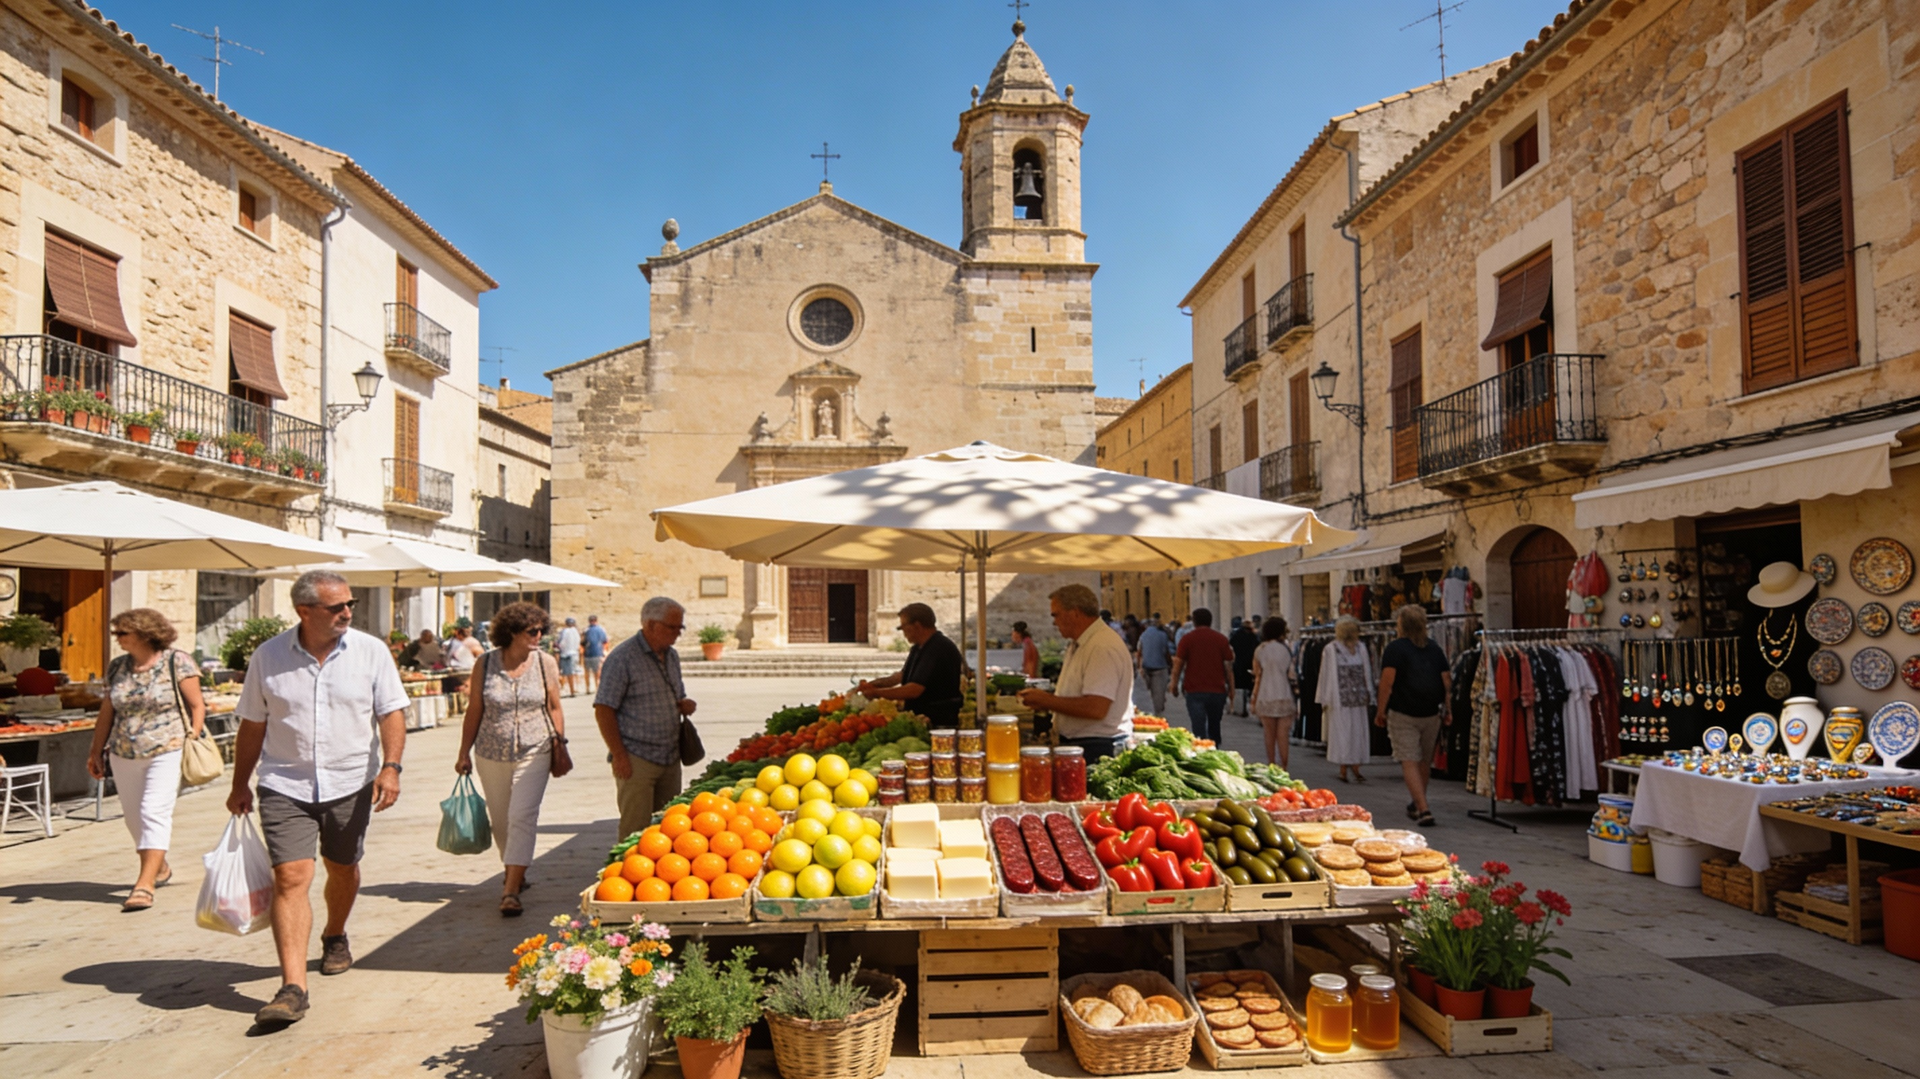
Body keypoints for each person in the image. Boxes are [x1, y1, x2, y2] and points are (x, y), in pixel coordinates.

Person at [228, 570, 409, 1027]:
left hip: (350, 780)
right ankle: (293, 988)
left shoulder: (370, 652)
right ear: (304, 611)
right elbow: (253, 724)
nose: (348, 612)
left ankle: (334, 933)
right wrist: (239, 783)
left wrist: (391, 766)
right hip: (284, 782)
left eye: (350, 604)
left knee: (342, 867)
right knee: (290, 877)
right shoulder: (268, 658)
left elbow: (391, 711)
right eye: (337, 607)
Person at [85, 608, 205, 912]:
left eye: (122, 633)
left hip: (168, 746)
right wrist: (96, 750)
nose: (117, 639)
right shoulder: (118, 667)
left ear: (143, 633)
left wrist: (194, 734)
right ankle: (160, 866)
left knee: (154, 811)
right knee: (133, 818)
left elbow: (197, 704)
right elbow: (107, 712)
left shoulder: (177, 661)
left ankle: (144, 885)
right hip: (124, 751)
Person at [456, 601, 567, 916]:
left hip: (536, 747)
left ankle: (510, 890)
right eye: (532, 631)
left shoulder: (545, 662)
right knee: (501, 822)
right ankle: (516, 870)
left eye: (541, 629)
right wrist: (463, 751)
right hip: (491, 751)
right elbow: (474, 709)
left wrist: (560, 741)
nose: (539, 635)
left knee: (522, 815)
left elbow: (554, 706)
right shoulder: (486, 664)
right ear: (512, 633)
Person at [594, 596, 697, 839]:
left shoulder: (671, 656)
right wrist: (619, 755)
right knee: (635, 830)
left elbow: (676, 693)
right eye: (672, 628)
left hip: (670, 756)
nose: (677, 634)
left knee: (668, 827)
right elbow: (604, 709)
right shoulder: (623, 658)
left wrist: (683, 704)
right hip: (637, 757)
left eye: (680, 628)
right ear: (650, 625)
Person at [1017, 584, 1134, 761]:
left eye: (1056, 614)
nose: (1054, 622)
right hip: (1084, 744)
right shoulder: (1081, 643)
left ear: (1075, 613)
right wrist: (1047, 701)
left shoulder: (1101, 647)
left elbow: (1096, 708)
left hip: (1098, 748)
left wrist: (1047, 701)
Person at [1376, 604, 1451, 827]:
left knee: (1409, 759)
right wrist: (1448, 709)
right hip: (1431, 713)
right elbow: (1447, 681)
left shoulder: (1395, 649)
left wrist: (1381, 710)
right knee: (1423, 762)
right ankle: (1417, 803)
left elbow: (1387, 683)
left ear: (1401, 625)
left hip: (1403, 713)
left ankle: (1424, 808)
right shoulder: (1435, 649)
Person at [858, 604, 964, 727]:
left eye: (903, 627)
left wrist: (877, 693)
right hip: (922, 717)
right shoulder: (918, 647)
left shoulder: (938, 648)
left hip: (938, 720)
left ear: (917, 626)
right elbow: (900, 676)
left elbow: (914, 690)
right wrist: (873, 684)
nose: (903, 633)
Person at [1319, 616, 1375, 785]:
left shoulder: (1361, 648)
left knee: (1357, 732)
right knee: (1343, 733)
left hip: (1357, 698)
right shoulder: (1331, 649)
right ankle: (1344, 768)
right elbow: (1326, 674)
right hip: (1339, 699)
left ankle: (1356, 766)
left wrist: (1369, 693)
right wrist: (1325, 697)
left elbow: (1367, 671)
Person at [1169, 608, 1233, 744]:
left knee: (1198, 729)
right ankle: (1215, 750)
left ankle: (1201, 751)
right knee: (1215, 726)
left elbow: (1178, 664)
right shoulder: (1221, 639)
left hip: (1194, 690)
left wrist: (1173, 684)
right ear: (1210, 621)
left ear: (1194, 622)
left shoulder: (1187, 639)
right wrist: (1232, 689)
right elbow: (1228, 667)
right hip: (1217, 690)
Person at [1249, 617, 1296, 769]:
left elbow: (1258, 675)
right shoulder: (1286, 648)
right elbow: (1292, 674)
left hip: (1265, 694)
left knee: (1269, 733)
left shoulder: (1260, 650)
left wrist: (1254, 698)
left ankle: (1271, 764)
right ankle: (1285, 766)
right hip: (1284, 694)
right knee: (1283, 735)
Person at [1135, 617, 1173, 715]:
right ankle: (1157, 713)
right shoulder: (1163, 635)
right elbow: (1166, 653)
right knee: (1158, 695)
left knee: (1147, 694)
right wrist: (1171, 665)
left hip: (1146, 667)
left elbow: (1139, 652)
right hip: (1160, 668)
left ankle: (1146, 713)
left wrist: (1139, 666)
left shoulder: (1143, 635)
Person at [442, 618, 483, 697]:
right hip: (455, 680)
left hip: (466, 681)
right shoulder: (453, 643)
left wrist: (470, 681)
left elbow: (482, 662)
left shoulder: (472, 643)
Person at [1229, 615, 1260, 716]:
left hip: (1239, 663)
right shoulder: (1253, 636)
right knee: (1249, 685)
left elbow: (1231, 646)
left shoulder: (1237, 635)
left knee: (1240, 687)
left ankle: (1239, 708)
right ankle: (1248, 706)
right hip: (1250, 662)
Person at [582, 614, 609, 693]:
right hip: (597, 652)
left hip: (587, 653)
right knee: (597, 672)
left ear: (589, 621)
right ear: (596, 621)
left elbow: (582, 642)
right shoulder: (601, 629)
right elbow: (605, 641)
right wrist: (604, 652)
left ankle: (587, 688)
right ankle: (597, 688)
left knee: (587, 672)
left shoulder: (586, 630)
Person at [556, 616, 582, 698]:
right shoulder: (576, 632)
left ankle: (568, 690)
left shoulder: (564, 631)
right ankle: (573, 689)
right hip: (574, 653)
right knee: (573, 672)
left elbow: (561, 642)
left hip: (565, 654)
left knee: (565, 673)